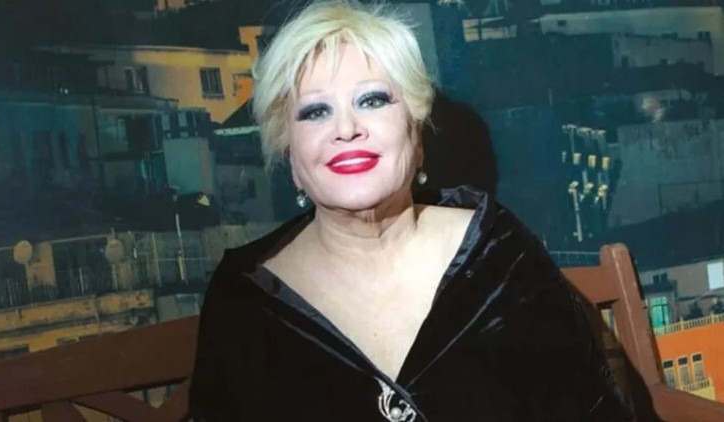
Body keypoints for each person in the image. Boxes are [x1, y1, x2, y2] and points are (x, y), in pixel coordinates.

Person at [188, 1, 633, 420]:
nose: (346, 128)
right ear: (291, 157)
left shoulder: (497, 252)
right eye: (316, 111)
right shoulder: (246, 298)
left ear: (416, 137)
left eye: (372, 100)